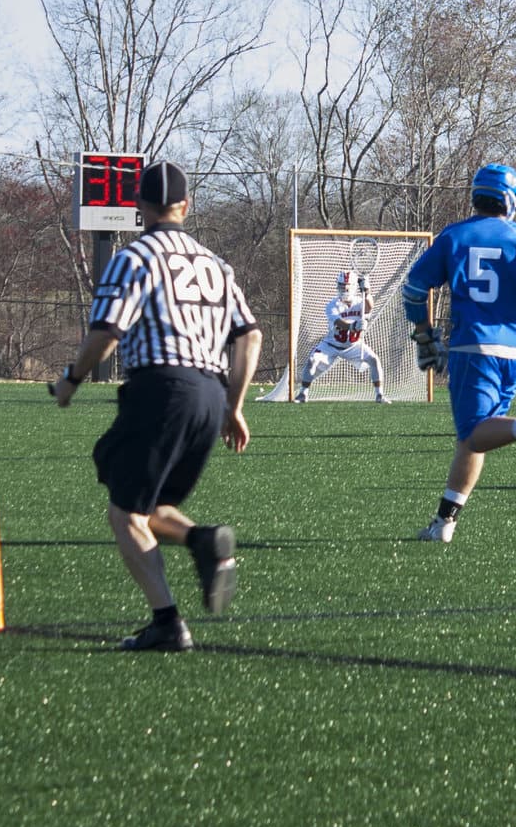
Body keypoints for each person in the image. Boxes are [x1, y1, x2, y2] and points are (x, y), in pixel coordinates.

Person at [50, 162, 259, 652]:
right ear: (185, 207)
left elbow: (106, 332)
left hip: (162, 389)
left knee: (124, 512)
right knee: (151, 505)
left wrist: (71, 380)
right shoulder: (215, 264)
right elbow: (250, 334)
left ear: (139, 208)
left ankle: (166, 622)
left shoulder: (134, 257)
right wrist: (234, 404)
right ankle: (203, 541)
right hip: (209, 395)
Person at [400, 164, 516, 543]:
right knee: (474, 435)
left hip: (472, 345)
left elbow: (412, 289)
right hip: (514, 349)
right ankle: (445, 522)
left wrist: (424, 332)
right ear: (510, 200)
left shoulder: (454, 236)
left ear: (476, 195)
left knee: (476, 433)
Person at [293, 270, 389, 403]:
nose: (343, 288)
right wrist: (353, 326)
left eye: (346, 285)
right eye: (341, 286)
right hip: (331, 344)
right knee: (312, 360)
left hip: (353, 345)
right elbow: (338, 322)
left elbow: (369, 307)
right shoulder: (332, 305)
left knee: (374, 360)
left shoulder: (359, 302)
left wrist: (367, 292)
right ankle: (303, 394)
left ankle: (379, 395)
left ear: (354, 286)